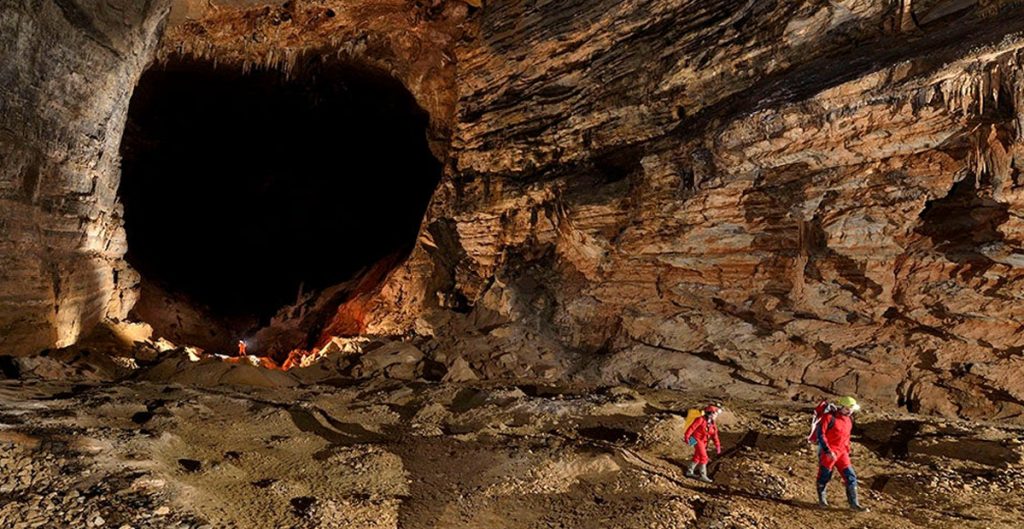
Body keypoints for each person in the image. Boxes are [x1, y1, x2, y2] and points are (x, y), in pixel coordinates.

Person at [813, 396, 868, 511]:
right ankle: (822, 500)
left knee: (851, 476)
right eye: (848, 409)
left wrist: (847, 450)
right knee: (825, 475)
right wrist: (827, 451)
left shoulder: (849, 419)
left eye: (852, 409)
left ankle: (854, 504)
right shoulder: (829, 418)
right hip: (829, 452)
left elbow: (846, 436)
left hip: (842, 453)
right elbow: (821, 435)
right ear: (842, 407)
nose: (850, 411)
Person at [684, 404, 722, 483]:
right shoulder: (700, 420)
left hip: (704, 441)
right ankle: (703, 475)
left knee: (697, 456)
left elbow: (714, 435)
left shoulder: (712, 424)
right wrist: (687, 437)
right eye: (715, 414)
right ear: (710, 413)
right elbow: (691, 428)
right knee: (704, 457)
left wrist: (717, 445)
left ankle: (689, 471)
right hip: (696, 439)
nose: (716, 416)